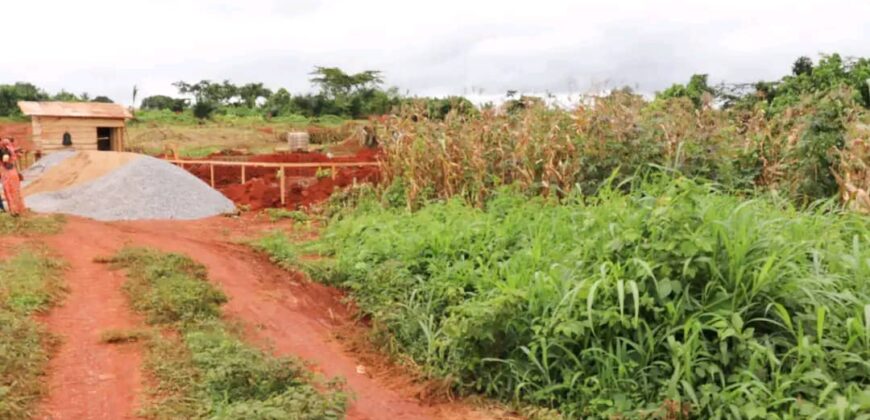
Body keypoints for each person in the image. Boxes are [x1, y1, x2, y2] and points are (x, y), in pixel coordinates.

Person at [0, 138, 25, 216]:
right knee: (15, 191)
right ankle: (19, 208)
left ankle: (14, 210)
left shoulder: (5, 151)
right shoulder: (10, 150)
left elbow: (5, 161)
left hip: (7, 173)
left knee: (9, 191)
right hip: (13, 172)